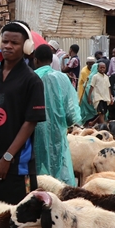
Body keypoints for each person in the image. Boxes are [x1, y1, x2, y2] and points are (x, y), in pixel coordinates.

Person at [0, 22, 47, 205]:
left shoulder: (32, 81)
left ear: (26, 47)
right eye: (5, 41)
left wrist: (7, 158)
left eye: (14, 43)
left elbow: (30, 123)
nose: (8, 46)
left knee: (14, 217)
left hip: (17, 167)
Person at [32, 45, 81, 186]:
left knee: (38, 168)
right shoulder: (63, 79)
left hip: (35, 132)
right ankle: (58, 193)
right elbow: (72, 114)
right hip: (57, 131)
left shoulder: (31, 78)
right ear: (51, 60)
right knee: (58, 164)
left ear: (35, 60)